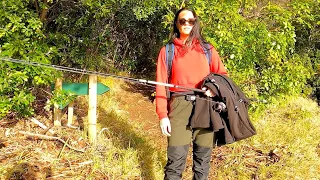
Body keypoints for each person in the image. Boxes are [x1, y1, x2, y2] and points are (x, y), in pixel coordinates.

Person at [155, 7, 228, 179]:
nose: (186, 24)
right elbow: (160, 85)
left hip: (206, 107)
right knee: (174, 163)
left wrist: (212, 88)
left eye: (190, 21)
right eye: (182, 21)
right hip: (179, 108)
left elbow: (222, 76)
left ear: (195, 23)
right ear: (177, 24)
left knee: (202, 164)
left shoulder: (208, 49)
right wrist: (162, 115)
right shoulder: (167, 51)